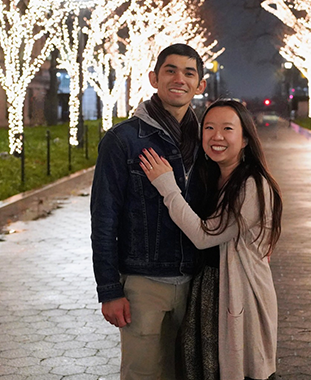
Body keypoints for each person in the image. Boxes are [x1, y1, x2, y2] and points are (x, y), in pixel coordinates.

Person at [139, 99, 282, 380]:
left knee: (236, 369)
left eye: (228, 128)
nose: (217, 136)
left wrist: (167, 186)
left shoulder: (252, 184)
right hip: (207, 291)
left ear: (244, 139)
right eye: (209, 128)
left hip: (237, 292)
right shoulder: (213, 178)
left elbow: (205, 236)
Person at [90, 44, 207, 380]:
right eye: (170, 70)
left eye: (189, 73)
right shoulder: (123, 140)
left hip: (196, 281)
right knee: (143, 374)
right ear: (154, 78)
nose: (179, 79)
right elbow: (104, 218)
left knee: (189, 372)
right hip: (144, 283)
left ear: (200, 85)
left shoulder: (205, 141)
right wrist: (109, 289)